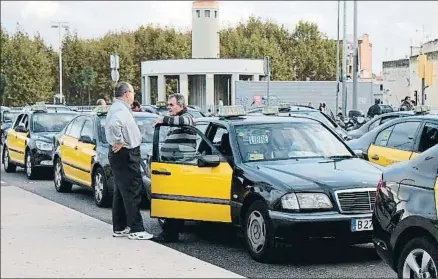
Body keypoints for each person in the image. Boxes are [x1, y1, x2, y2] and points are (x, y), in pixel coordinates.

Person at [105, 81, 153, 240]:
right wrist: (118, 141)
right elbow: (114, 125)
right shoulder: (121, 110)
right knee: (132, 190)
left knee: (121, 190)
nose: (134, 96)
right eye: (132, 93)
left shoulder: (117, 107)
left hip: (121, 154)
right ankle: (136, 229)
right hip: (126, 153)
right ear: (126, 94)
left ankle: (120, 226)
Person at [152, 93, 195, 243]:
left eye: (172, 105)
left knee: (175, 201)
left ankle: (171, 233)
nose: (168, 108)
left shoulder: (187, 117)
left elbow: (185, 120)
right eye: (168, 105)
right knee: (171, 202)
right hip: (172, 168)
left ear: (181, 106)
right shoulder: (175, 121)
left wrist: (163, 119)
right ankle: (171, 231)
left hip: (181, 168)